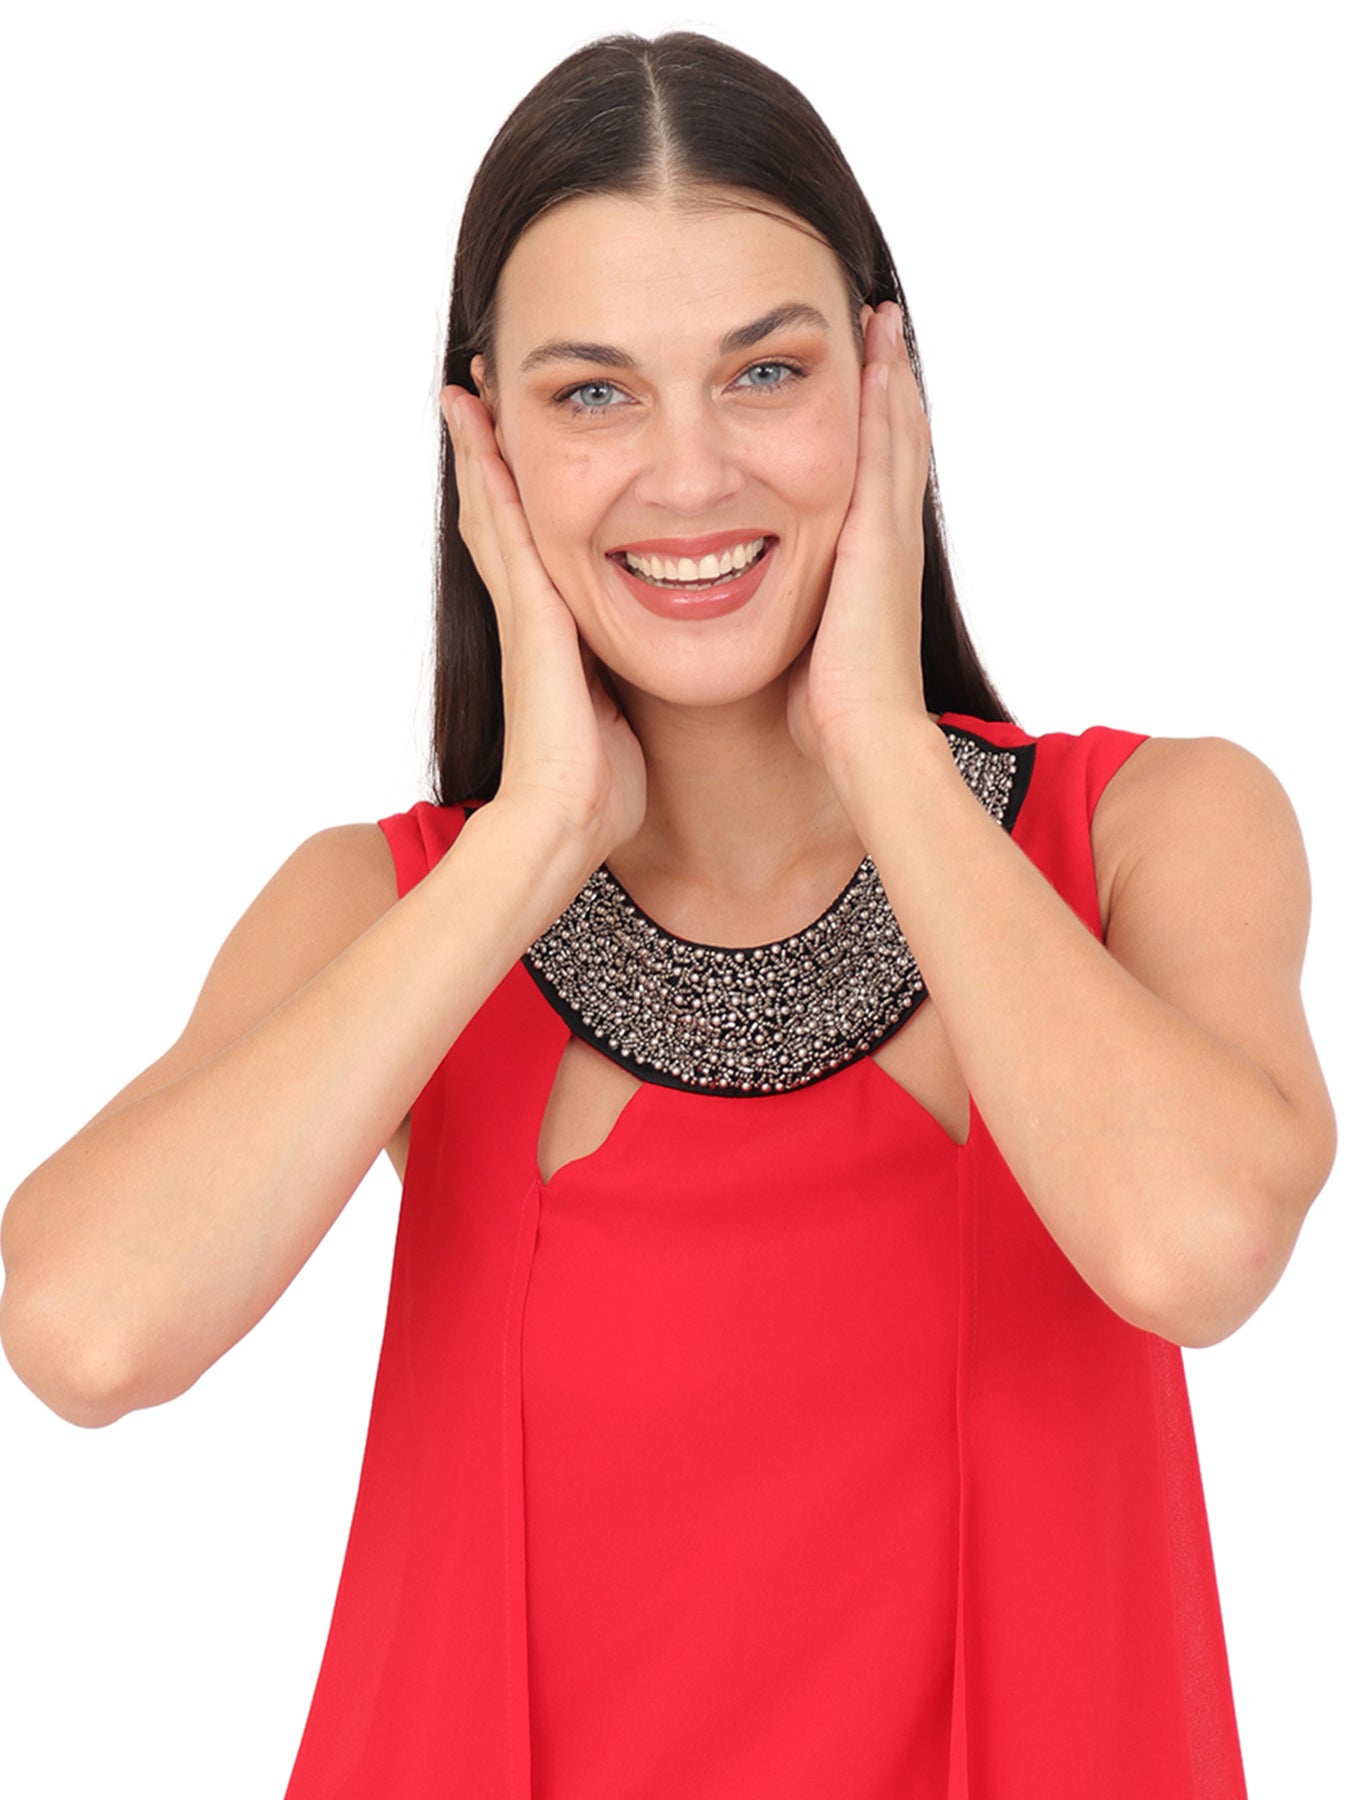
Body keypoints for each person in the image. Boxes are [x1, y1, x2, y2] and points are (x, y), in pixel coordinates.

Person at [0, 28, 1336, 1799]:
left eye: (764, 373)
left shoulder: (1155, 829)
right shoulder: (392, 908)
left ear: (886, 387)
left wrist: (880, 742)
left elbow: (1190, 1254)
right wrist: (537, 832)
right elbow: (84, 1337)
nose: (690, 475)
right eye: (592, 395)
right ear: (483, 440)